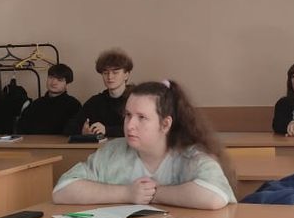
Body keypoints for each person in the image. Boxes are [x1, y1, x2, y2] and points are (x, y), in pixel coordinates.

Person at [52, 80, 235, 209]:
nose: (130, 125)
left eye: (142, 117)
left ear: (165, 124)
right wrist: (127, 194)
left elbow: (215, 195)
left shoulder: (191, 155)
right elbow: (62, 190)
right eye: (128, 115)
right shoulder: (112, 151)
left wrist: (153, 194)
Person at [67, 49, 134, 138]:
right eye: (105, 73)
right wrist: (83, 130)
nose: (110, 77)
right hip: (101, 146)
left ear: (126, 75)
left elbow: (141, 128)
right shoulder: (96, 101)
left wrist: (107, 130)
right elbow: (69, 126)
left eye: (115, 72)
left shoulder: (136, 100)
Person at [18, 63, 82, 134]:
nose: (54, 82)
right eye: (51, 77)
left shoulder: (74, 105)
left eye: (59, 80)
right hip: (34, 141)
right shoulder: (36, 104)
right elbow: (21, 127)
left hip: (61, 141)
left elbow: (75, 131)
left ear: (67, 83)